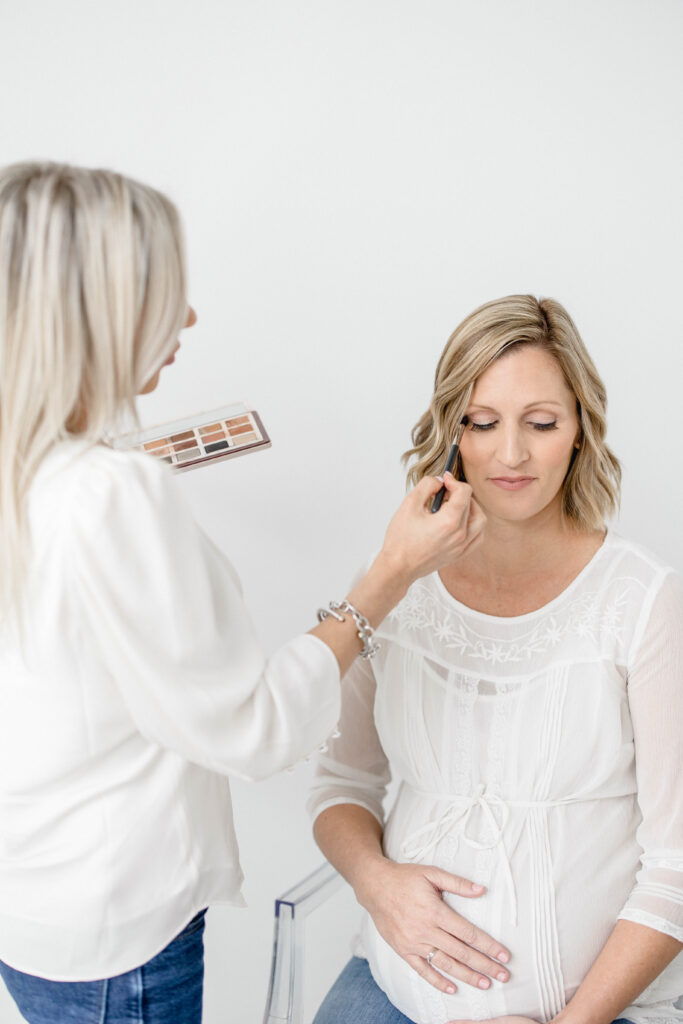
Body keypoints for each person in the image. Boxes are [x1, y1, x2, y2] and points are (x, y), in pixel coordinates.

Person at [0, 161, 485, 1024]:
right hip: (119, 939)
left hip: (33, 911)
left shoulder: (36, 475)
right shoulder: (110, 496)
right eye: (164, 292)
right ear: (101, 310)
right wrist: (388, 576)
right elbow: (252, 728)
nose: (188, 316)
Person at [309, 294, 683, 1024]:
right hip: (393, 989)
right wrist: (375, 882)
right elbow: (341, 783)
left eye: (540, 424)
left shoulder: (643, 600)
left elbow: (677, 864)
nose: (509, 454)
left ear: (579, 430)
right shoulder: (391, 584)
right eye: (482, 424)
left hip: (598, 1010)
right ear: (450, 433)